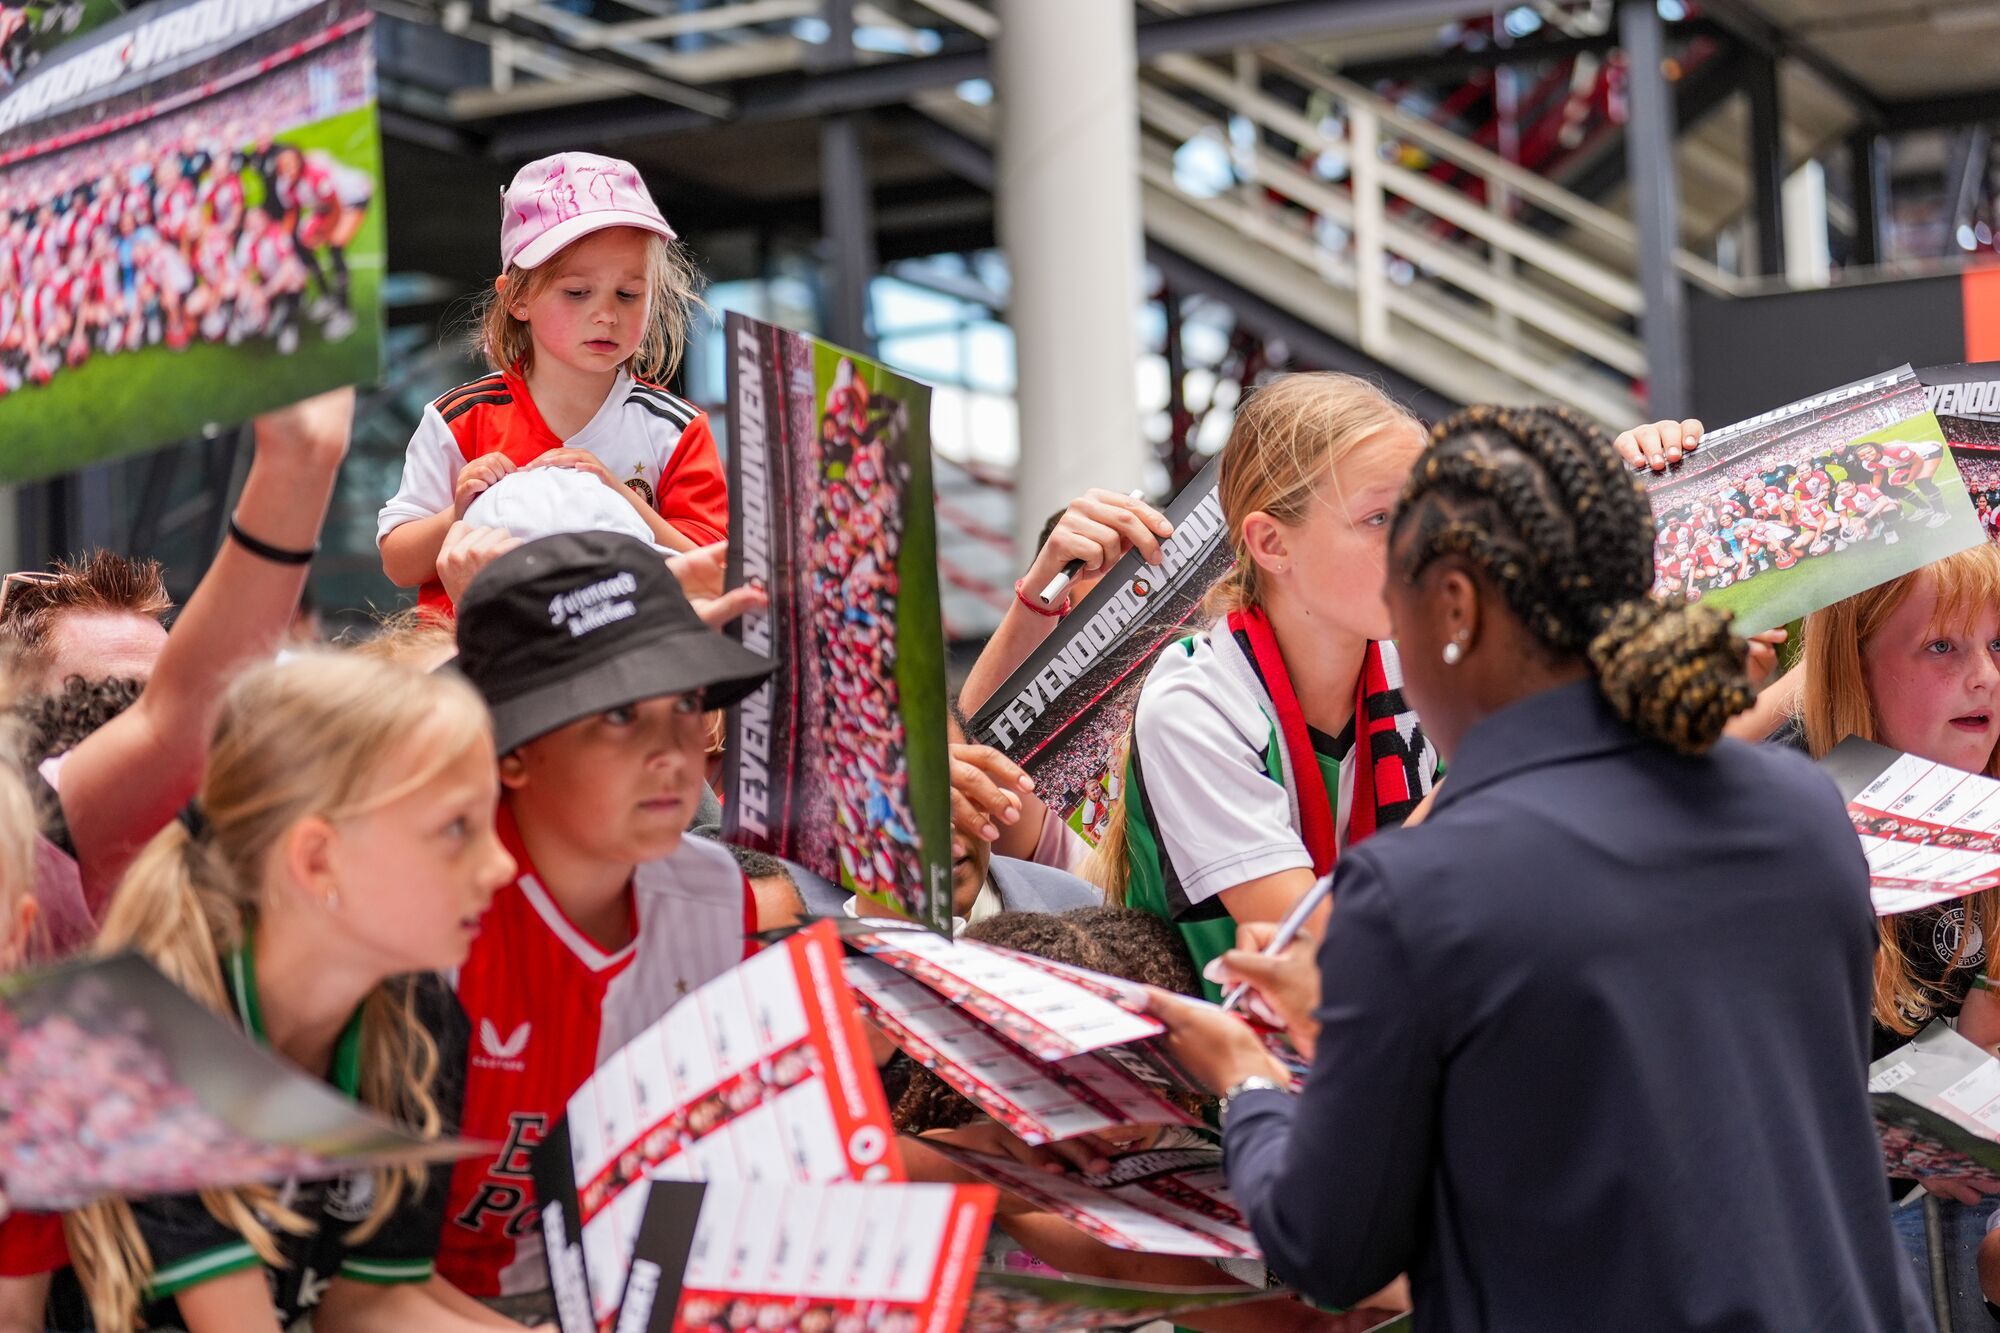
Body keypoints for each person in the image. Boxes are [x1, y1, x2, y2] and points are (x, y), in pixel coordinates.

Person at [1143, 405, 1927, 1330]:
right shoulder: (1797, 811)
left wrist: (1246, 1082)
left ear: (1457, 611)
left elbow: (1331, 1244)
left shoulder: (1422, 892)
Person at [56, 653, 528, 1332]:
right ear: (316, 858)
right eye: (457, 828)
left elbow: (367, 1301)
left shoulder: (419, 1018)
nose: (501, 864)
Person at [435, 531, 776, 1322]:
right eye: (620, 713)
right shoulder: (428, 912)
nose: (674, 752)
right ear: (510, 751)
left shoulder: (719, 895)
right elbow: (359, 1288)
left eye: (688, 700)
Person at [1088, 373, 1442, 995]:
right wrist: (1495, 762)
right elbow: (1316, 955)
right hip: (1223, 1074)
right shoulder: (1195, 701)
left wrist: (1662, 482)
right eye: (1380, 517)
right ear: (1272, 543)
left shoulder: (1429, 659)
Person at [1786, 543, 2000, 1325]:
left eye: (1997, 643)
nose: (1985, 675)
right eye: (1943, 645)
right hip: (1846, 1228)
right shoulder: (1787, 822)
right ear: (1854, 666)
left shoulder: (1986, 783)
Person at [376, 152, 726, 612]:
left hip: (621, 663)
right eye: (577, 292)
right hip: (470, 665)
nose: (606, 314)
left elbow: (715, 570)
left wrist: (620, 499)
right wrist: (461, 512)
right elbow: (399, 564)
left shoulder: (676, 428)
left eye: (629, 294)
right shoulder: (460, 418)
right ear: (517, 297)